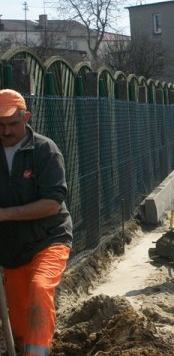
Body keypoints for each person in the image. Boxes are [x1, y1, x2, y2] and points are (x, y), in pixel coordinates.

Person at [0, 89, 73, 355]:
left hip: (49, 237)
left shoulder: (44, 150)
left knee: (40, 289)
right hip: (11, 248)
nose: (6, 131)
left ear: (26, 117)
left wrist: (5, 214)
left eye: (12, 124)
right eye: (0, 125)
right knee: (19, 318)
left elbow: (52, 203)